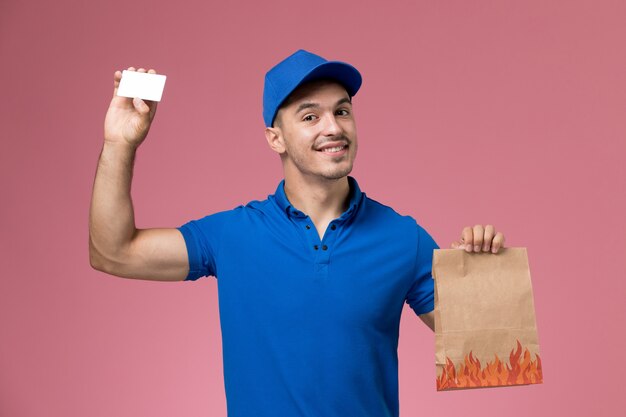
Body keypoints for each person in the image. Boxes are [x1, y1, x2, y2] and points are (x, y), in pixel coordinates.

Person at [89, 49, 506, 417]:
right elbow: (113, 253)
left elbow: (488, 351)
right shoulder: (233, 235)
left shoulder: (403, 238)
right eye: (311, 116)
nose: (333, 127)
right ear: (276, 138)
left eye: (342, 111)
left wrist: (484, 279)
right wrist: (119, 144)